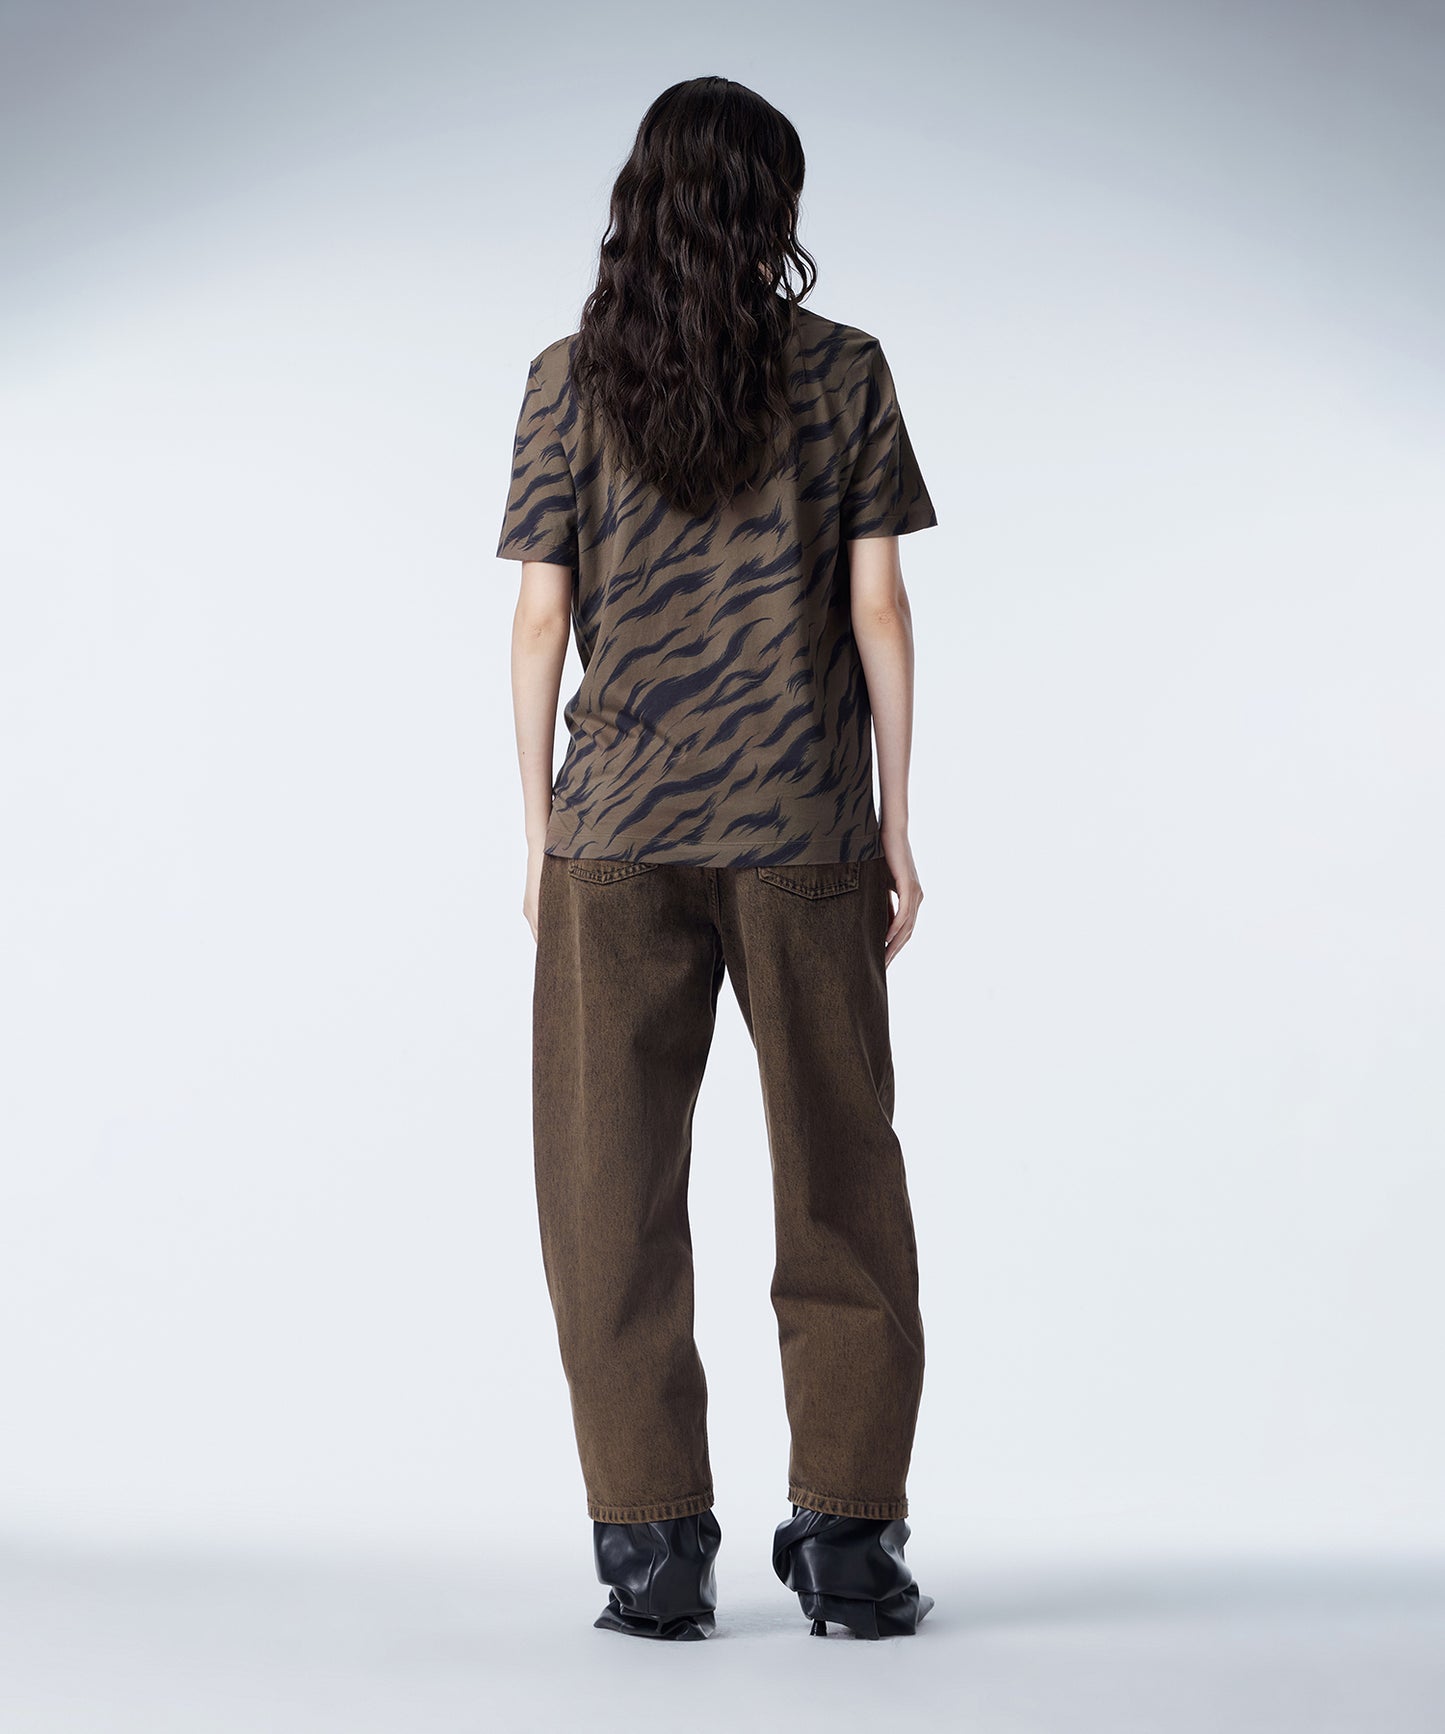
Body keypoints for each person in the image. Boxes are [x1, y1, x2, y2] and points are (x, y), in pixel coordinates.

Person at [497, 76, 938, 1642]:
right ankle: (848, 1545)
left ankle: (652, 1553)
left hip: (615, 832)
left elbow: (538, 622)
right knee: (841, 1174)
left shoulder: (567, 379)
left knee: (606, 1191)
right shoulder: (844, 370)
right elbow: (876, 607)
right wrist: (893, 819)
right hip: (801, 823)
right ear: (775, 209)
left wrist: (538, 832)